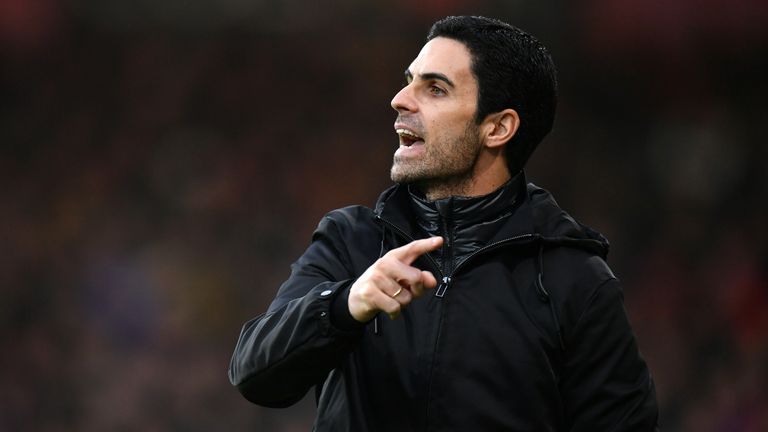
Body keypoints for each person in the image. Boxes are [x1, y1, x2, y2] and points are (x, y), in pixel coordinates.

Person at [229, 15, 659, 431]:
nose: (400, 99)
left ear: (498, 128)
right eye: (409, 79)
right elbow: (255, 374)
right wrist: (344, 305)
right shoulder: (351, 241)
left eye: (435, 89)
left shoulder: (574, 279)